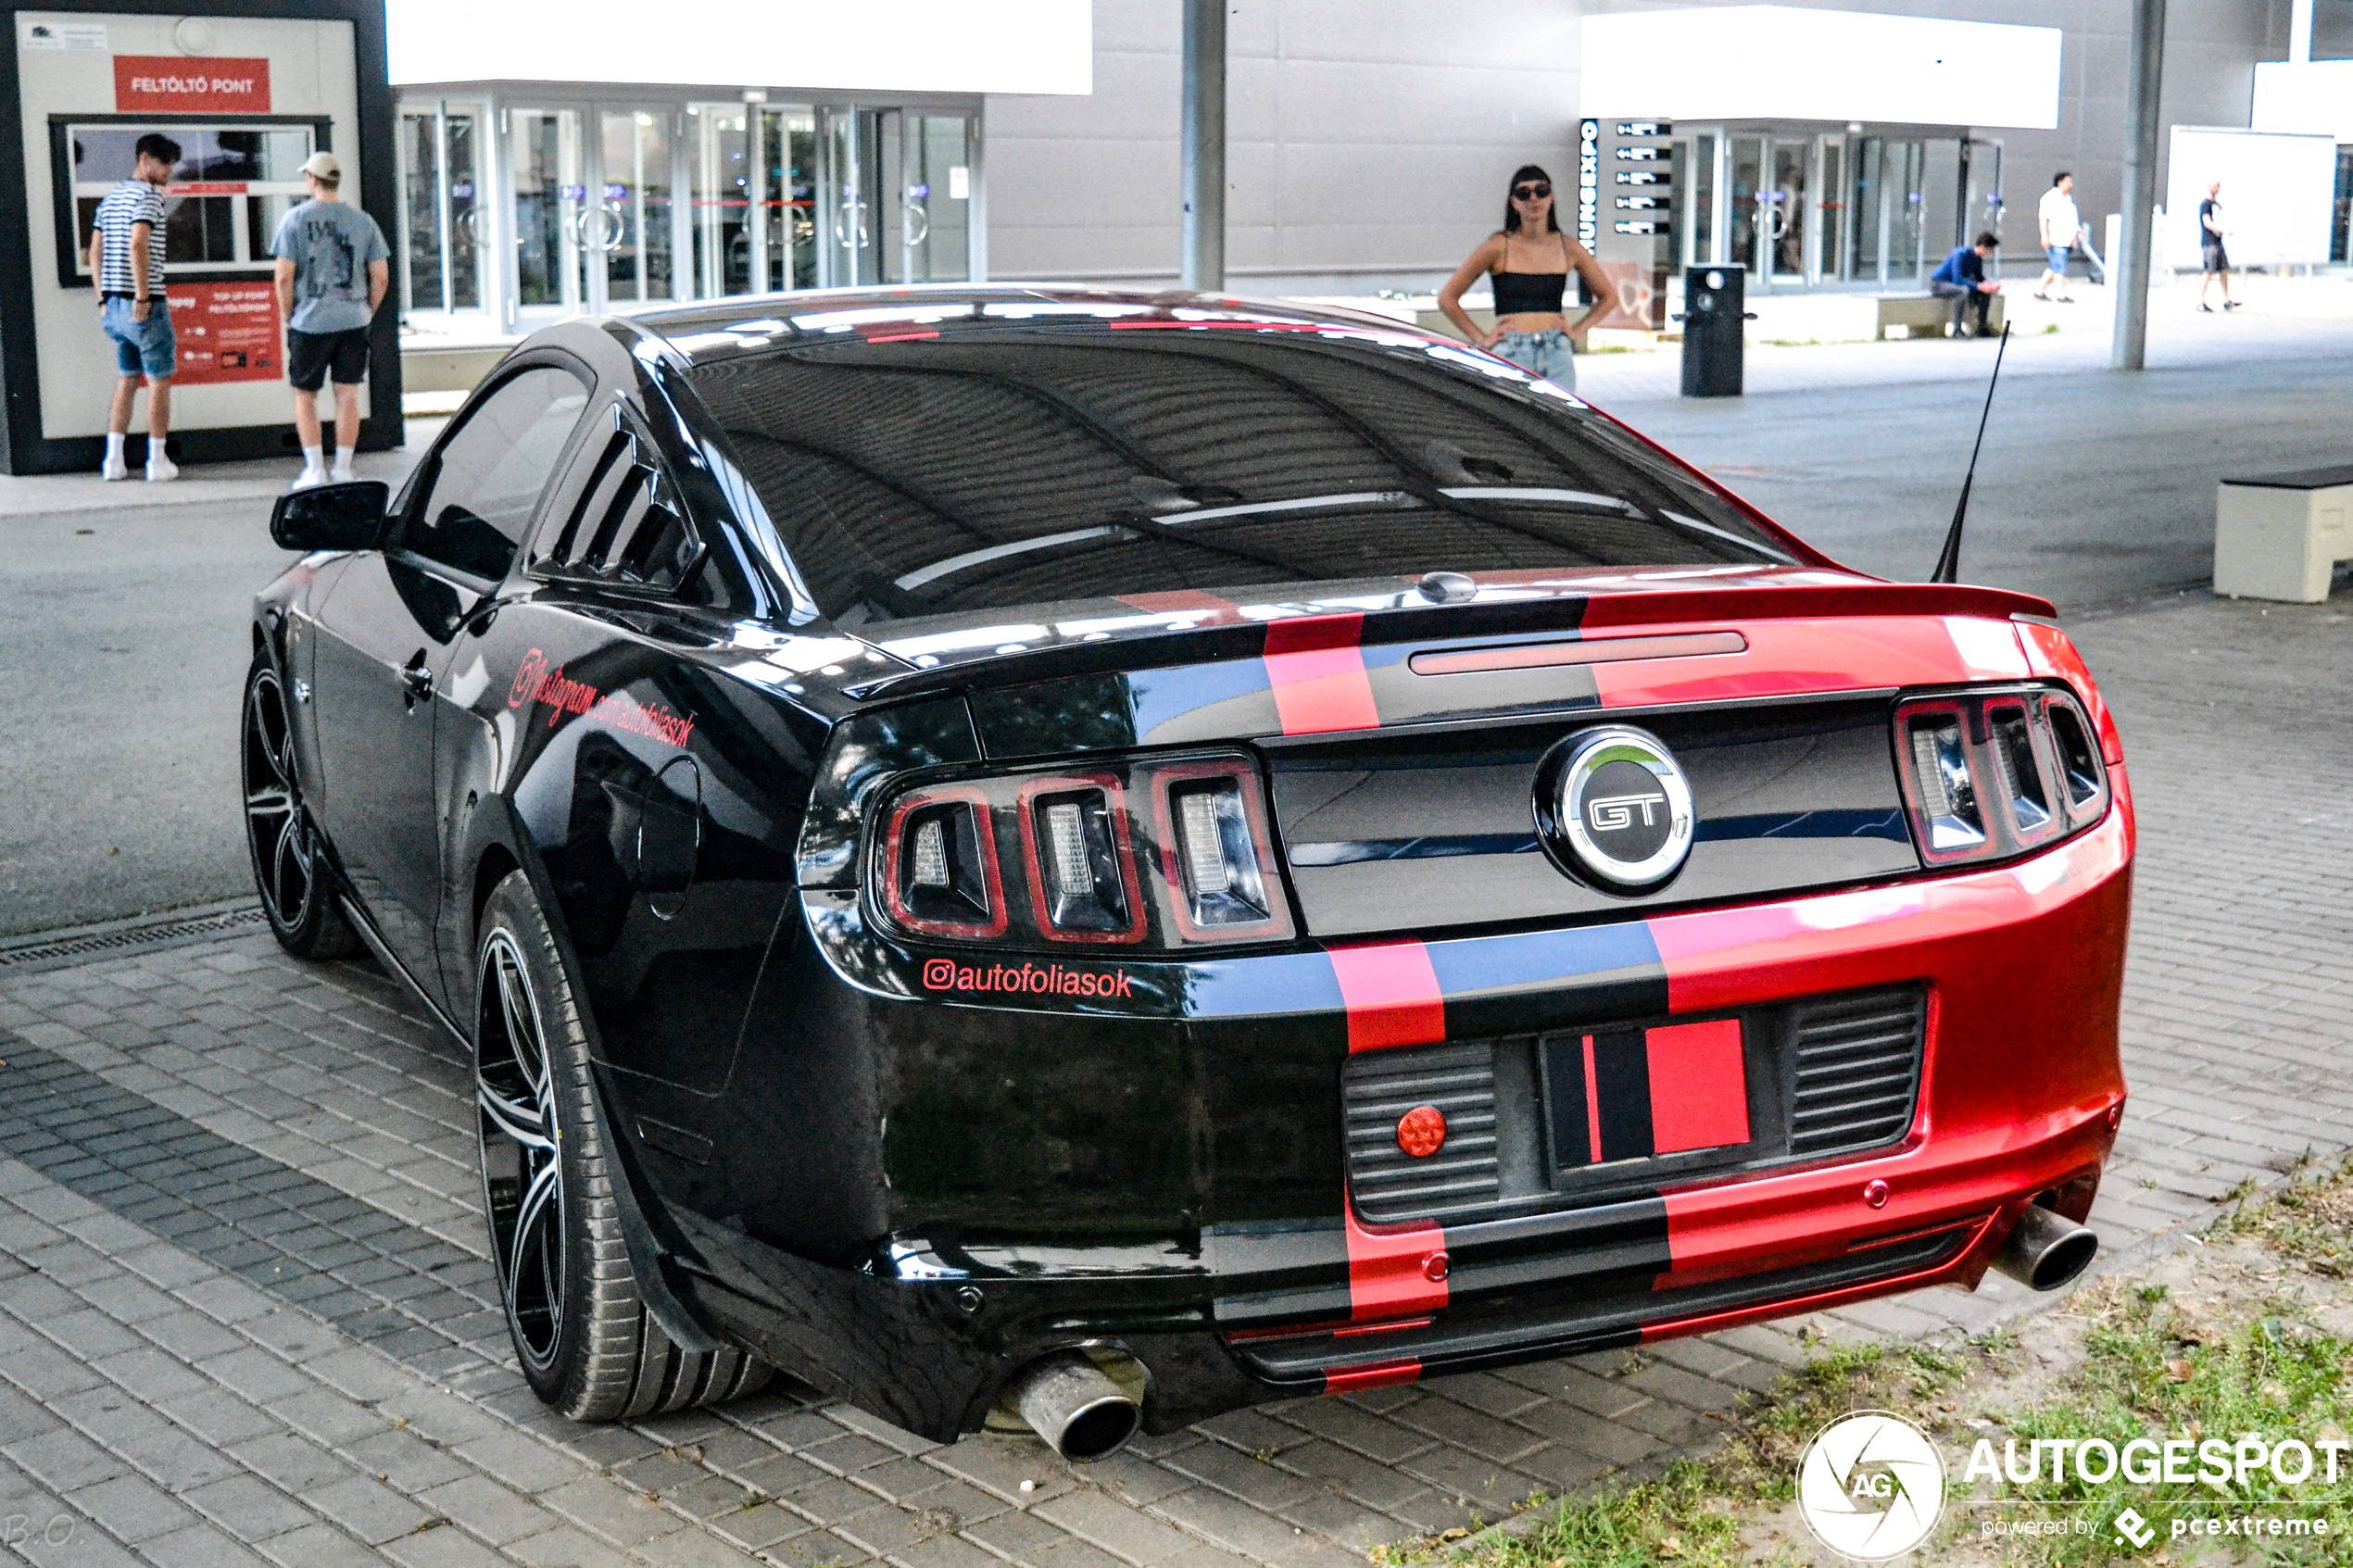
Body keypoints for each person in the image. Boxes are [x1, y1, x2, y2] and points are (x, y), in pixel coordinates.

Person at [271, 152, 390, 489]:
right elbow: (380, 276)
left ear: (312, 179)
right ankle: (343, 468)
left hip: (309, 322)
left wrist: (287, 317)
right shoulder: (362, 220)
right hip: (353, 321)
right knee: (347, 394)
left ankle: (314, 470)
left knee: (305, 394)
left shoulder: (295, 219)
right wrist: (367, 309)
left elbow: (283, 277)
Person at [1438, 165, 1612, 390]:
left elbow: (1608, 296)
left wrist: (1577, 331)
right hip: (1512, 350)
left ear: (1551, 198)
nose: (1534, 199)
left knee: (1558, 423)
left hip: (1556, 350)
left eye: (1541, 191)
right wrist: (1481, 339)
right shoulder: (1498, 246)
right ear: (1514, 202)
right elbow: (1447, 298)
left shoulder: (1568, 247)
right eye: (1524, 193)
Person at [88, 132, 182, 482]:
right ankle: (156, 461)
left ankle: (113, 461)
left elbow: (94, 251)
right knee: (159, 381)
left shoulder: (110, 200)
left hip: (113, 305)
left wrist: (102, 298)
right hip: (146, 306)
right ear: (145, 159)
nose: (169, 170)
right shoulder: (148, 197)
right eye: (164, 162)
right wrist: (143, 296)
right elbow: (139, 243)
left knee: (127, 379)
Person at [1930, 232, 2004, 337]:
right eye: (1990, 250)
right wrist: (1979, 286)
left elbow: (1979, 277)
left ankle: (1982, 327)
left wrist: (1988, 285)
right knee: (1963, 291)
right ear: (1983, 246)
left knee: (1985, 293)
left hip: (1955, 285)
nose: (1990, 253)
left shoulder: (1977, 259)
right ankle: (1957, 329)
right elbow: (1957, 279)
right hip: (1939, 284)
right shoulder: (1960, 254)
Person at [2035, 171, 2081, 303]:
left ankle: (2039, 291)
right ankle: (2061, 295)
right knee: (2059, 267)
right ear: (2060, 183)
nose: (2070, 185)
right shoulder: (2050, 198)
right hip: (2057, 239)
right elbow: (2044, 218)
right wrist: (2045, 236)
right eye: (2068, 182)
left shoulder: (2067, 198)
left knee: (2054, 266)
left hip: (2067, 239)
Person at [2198, 181, 2239, 312]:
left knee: (2224, 270)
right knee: (2208, 271)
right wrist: (2222, 230)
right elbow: (2207, 222)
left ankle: (2227, 300)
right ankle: (2200, 301)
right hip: (2209, 243)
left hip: (2218, 242)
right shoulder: (2205, 205)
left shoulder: (2217, 205)